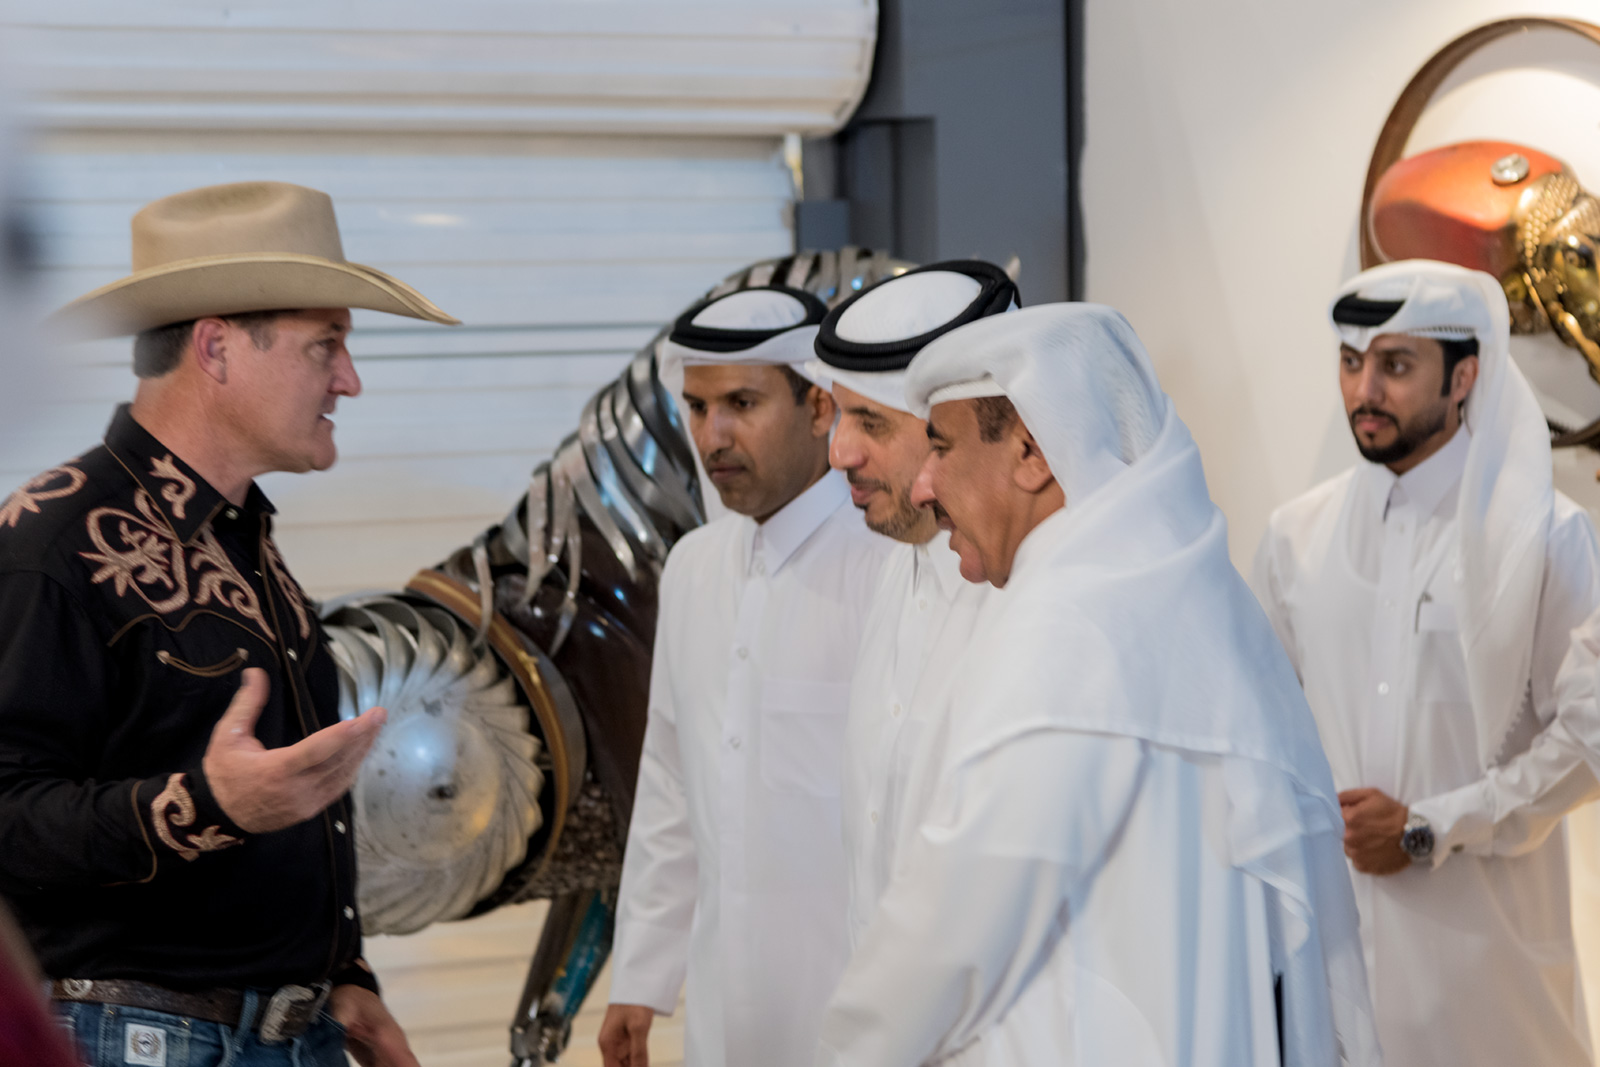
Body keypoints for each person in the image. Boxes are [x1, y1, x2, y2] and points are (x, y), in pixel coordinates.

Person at [817, 303, 1379, 1066]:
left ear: (1030, 451)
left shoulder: (1070, 628)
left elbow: (951, 931)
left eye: (940, 446)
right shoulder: (1186, 596)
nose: (923, 485)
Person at [0, 180, 458, 1067]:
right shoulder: (53, 543)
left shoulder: (245, 538)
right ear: (215, 348)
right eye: (326, 344)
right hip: (142, 1041)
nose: (350, 379)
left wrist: (345, 975)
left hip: (288, 1033)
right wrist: (205, 805)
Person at [1252, 259, 1600, 1067]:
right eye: (1351, 363)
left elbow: (1590, 739)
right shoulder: (1294, 538)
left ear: (1464, 376)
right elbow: (1262, 737)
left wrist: (1430, 826)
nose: (1364, 389)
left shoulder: (1546, 536)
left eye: (1396, 365)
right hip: (1336, 989)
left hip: (1490, 999)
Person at [600, 284, 891, 1067]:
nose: (713, 435)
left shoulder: (891, 565)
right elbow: (671, 782)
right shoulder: (694, 567)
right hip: (723, 1009)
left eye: (742, 403)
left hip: (858, 1010)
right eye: (698, 407)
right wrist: (641, 976)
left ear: (820, 407)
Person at [805, 260, 1014, 950]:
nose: (838, 452)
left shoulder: (1035, 606)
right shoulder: (895, 568)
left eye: (871, 421)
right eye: (839, 415)